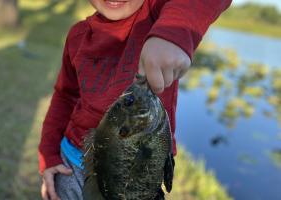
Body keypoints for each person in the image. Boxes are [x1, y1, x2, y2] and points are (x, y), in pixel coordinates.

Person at [38, 0, 232, 199]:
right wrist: (48, 154)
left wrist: (173, 35)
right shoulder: (77, 36)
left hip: (138, 174)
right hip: (71, 164)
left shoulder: (156, 16)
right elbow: (64, 96)